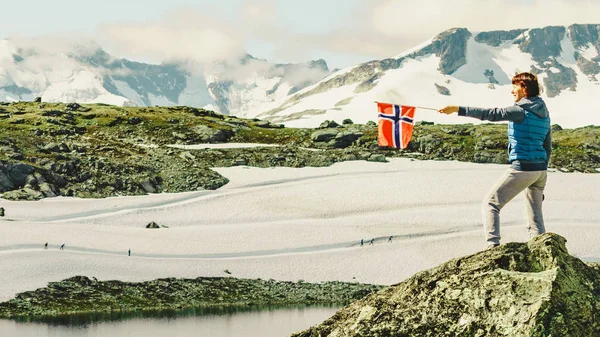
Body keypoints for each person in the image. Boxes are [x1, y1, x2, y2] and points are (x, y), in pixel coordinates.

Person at [439, 72, 551, 249]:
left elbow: (491, 114)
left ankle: (493, 247)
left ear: (524, 87)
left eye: (514, 86)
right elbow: (547, 145)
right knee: (535, 215)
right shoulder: (544, 113)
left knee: (491, 204)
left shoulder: (520, 111)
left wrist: (457, 109)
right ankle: (542, 249)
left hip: (522, 167)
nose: (512, 91)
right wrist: (541, 175)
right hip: (540, 171)